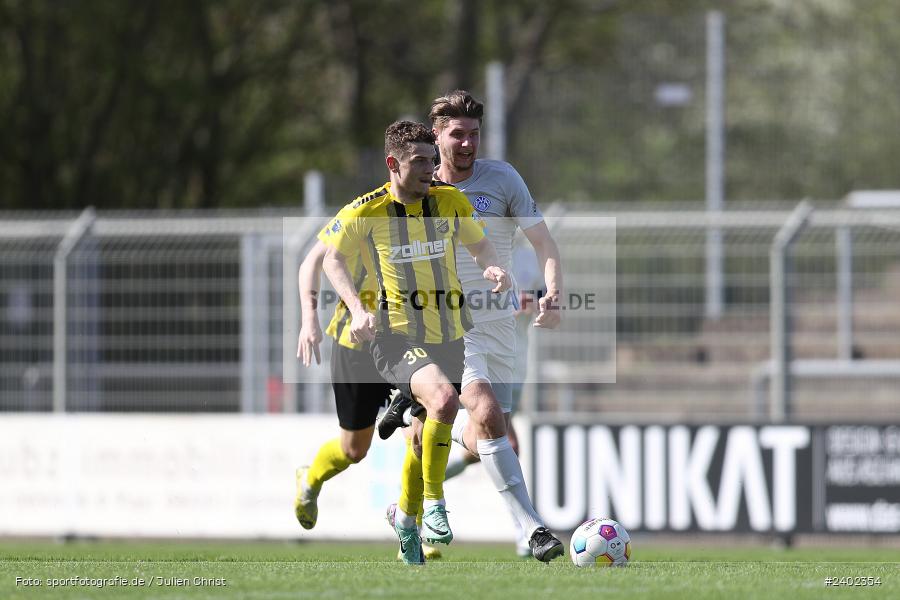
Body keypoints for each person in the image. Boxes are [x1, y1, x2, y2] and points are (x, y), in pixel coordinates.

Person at [378, 90, 565, 562]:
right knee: (484, 411)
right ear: (435, 136)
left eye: (474, 134)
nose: (467, 144)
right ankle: (532, 529)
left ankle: (405, 514)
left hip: (498, 322)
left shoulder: (502, 179)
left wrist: (553, 293)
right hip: (444, 326)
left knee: (462, 432)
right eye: (456, 134)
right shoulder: (415, 187)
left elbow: (543, 241)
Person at [322, 120, 510, 564]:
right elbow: (332, 259)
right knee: (444, 401)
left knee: (424, 439)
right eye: (420, 161)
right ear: (393, 164)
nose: (431, 168)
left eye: (432, 158)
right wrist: (357, 307)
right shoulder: (365, 211)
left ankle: (404, 520)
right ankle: (434, 506)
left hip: (449, 333)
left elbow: (480, 246)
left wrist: (493, 267)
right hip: (395, 336)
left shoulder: (449, 202)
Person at [291, 208, 443, 558]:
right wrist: (309, 317)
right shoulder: (364, 211)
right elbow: (311, 262)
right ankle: (309, 479)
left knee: (420, 427)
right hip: (355, 345)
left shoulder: (436, 209)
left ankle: (411, 529)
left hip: (405, 341)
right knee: (354, 450)